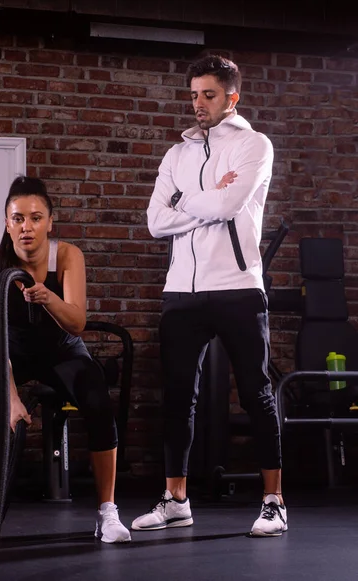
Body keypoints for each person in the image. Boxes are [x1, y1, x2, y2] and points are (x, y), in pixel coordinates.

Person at [132, 55, 287, 537]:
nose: (198, 103)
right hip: (181, 291)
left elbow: (227, 204)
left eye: (209, 95)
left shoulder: (254, 146)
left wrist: (185, 201)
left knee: (258, 395)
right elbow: (156, 222)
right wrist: (200, 203)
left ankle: (273, 502)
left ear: (231, 97)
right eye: (194, 94)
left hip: (238, 287)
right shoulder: (176, 155)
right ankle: (176, 499)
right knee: (179, 397)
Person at [0, 176, 131, 544]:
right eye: (18, 218)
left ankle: (107, 511)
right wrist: (10, 400)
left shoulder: (68, 257)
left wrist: (48, 298)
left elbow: (77, 324)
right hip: (13, 353)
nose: (27, 226)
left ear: (50, 222)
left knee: (96, 400)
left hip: (63, 350)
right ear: (6, 223)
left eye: (36, 217)